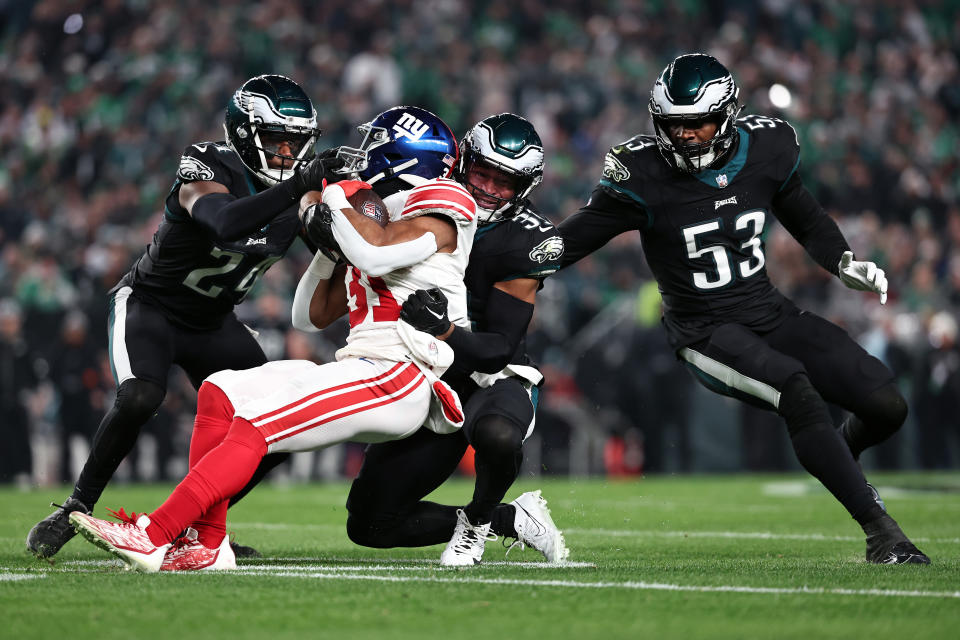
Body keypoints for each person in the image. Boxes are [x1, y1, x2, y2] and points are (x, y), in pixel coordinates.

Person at [68, 106, 478, 572]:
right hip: (362, 365)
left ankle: (153, 534)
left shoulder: (447, 199)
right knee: (222, 390)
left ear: (402, 155)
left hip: (402, 374)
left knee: (258, 424)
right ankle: (208, 541)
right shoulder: (380, 212)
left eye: (374, 145)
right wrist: (327, 244)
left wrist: (333, 206)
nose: (362, 155)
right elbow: (308, 315)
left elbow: (373, 254)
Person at [556, 53, 929, 565]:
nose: (686, 136)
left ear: (728, 115)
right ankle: (881, 532)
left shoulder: (767, 147)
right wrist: (506, 255)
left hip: (768, 311)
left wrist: (842, 260)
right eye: (675, 125)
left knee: (887, 402)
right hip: (702, 331)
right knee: (796, 389)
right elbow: (567, 242)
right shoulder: (641, 173)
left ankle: (837, 453)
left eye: (699, 123)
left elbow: (804, 213)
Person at [27, 74, 341, 559]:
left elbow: (337, 246)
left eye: (296, 143)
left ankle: (197, 522)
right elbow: (223, 221)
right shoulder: (208, 164)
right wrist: (299, 187)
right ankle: (74, 507)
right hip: (151, 307)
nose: (287, 153)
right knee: (140, 397)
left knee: (278, 427)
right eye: (277, 140)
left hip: (214, 321)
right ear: (243, 134)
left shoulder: (300, 194)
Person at [340, 113, 569, 566]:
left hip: (489, 372)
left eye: (505, 182)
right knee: (370, 525)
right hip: (427, 369)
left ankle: (478, 522)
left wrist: (445, 330)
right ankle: (511, 519)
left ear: (524, 188)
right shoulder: (423, 202)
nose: (489, 188)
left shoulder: (526, 240)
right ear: (461, 163)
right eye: (482, 172)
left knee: (499, 435)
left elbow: (499, 347)